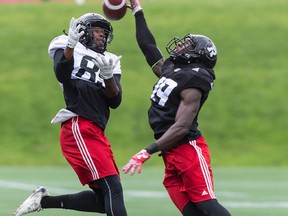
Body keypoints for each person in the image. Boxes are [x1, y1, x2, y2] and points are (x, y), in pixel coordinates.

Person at [123, 1, 232, 216]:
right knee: (191, 212)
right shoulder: (174, 69)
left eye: (188, 45)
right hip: (170, 152)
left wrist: (147, 151)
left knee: (208, 206)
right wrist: (137, 11)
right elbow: (148, 48)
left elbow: (182, 126)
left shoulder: (195, 79)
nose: (181, 45)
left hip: (188, 149)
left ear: (198, 55)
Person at [12, 13, 128, 216]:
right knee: (113, 188)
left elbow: (115, 101)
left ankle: (43, 201)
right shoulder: (66, 44)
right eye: (98, 31)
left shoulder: (110, 59)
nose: (102, 36)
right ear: (83, 32)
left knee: (104, 199)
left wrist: (108, 76)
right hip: (79, 124)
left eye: (104, 32)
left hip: (97, 129)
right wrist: (71, 45)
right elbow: (61, 73)